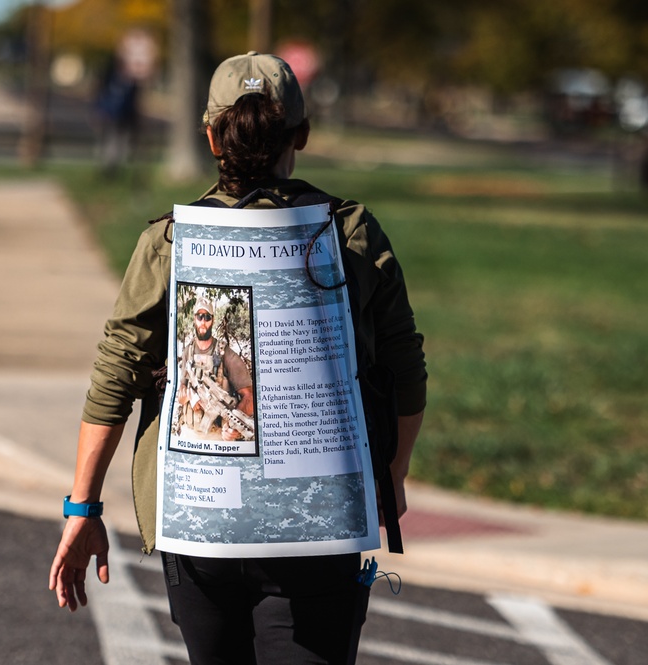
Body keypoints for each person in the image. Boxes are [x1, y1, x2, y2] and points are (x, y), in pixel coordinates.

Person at [50, 51, 427, 664]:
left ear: (209, 135)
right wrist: (393, 474)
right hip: (318, 522)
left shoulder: (170, 240)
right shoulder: (349, 233)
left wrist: (82, 507)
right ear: (301, 134)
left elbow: (115, 372)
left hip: (198, 522)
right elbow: (405, 368)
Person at [177, 296, 255, 441]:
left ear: (212, 320)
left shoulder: (226, 355)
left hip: (216, 436)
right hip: (189, 433)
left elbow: (249, 396)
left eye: (207, 317)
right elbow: (182, 387)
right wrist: (188, 398)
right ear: (194, 319)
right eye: (199, 316)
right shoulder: (188, 351)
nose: (203, 322)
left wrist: (232, 427)